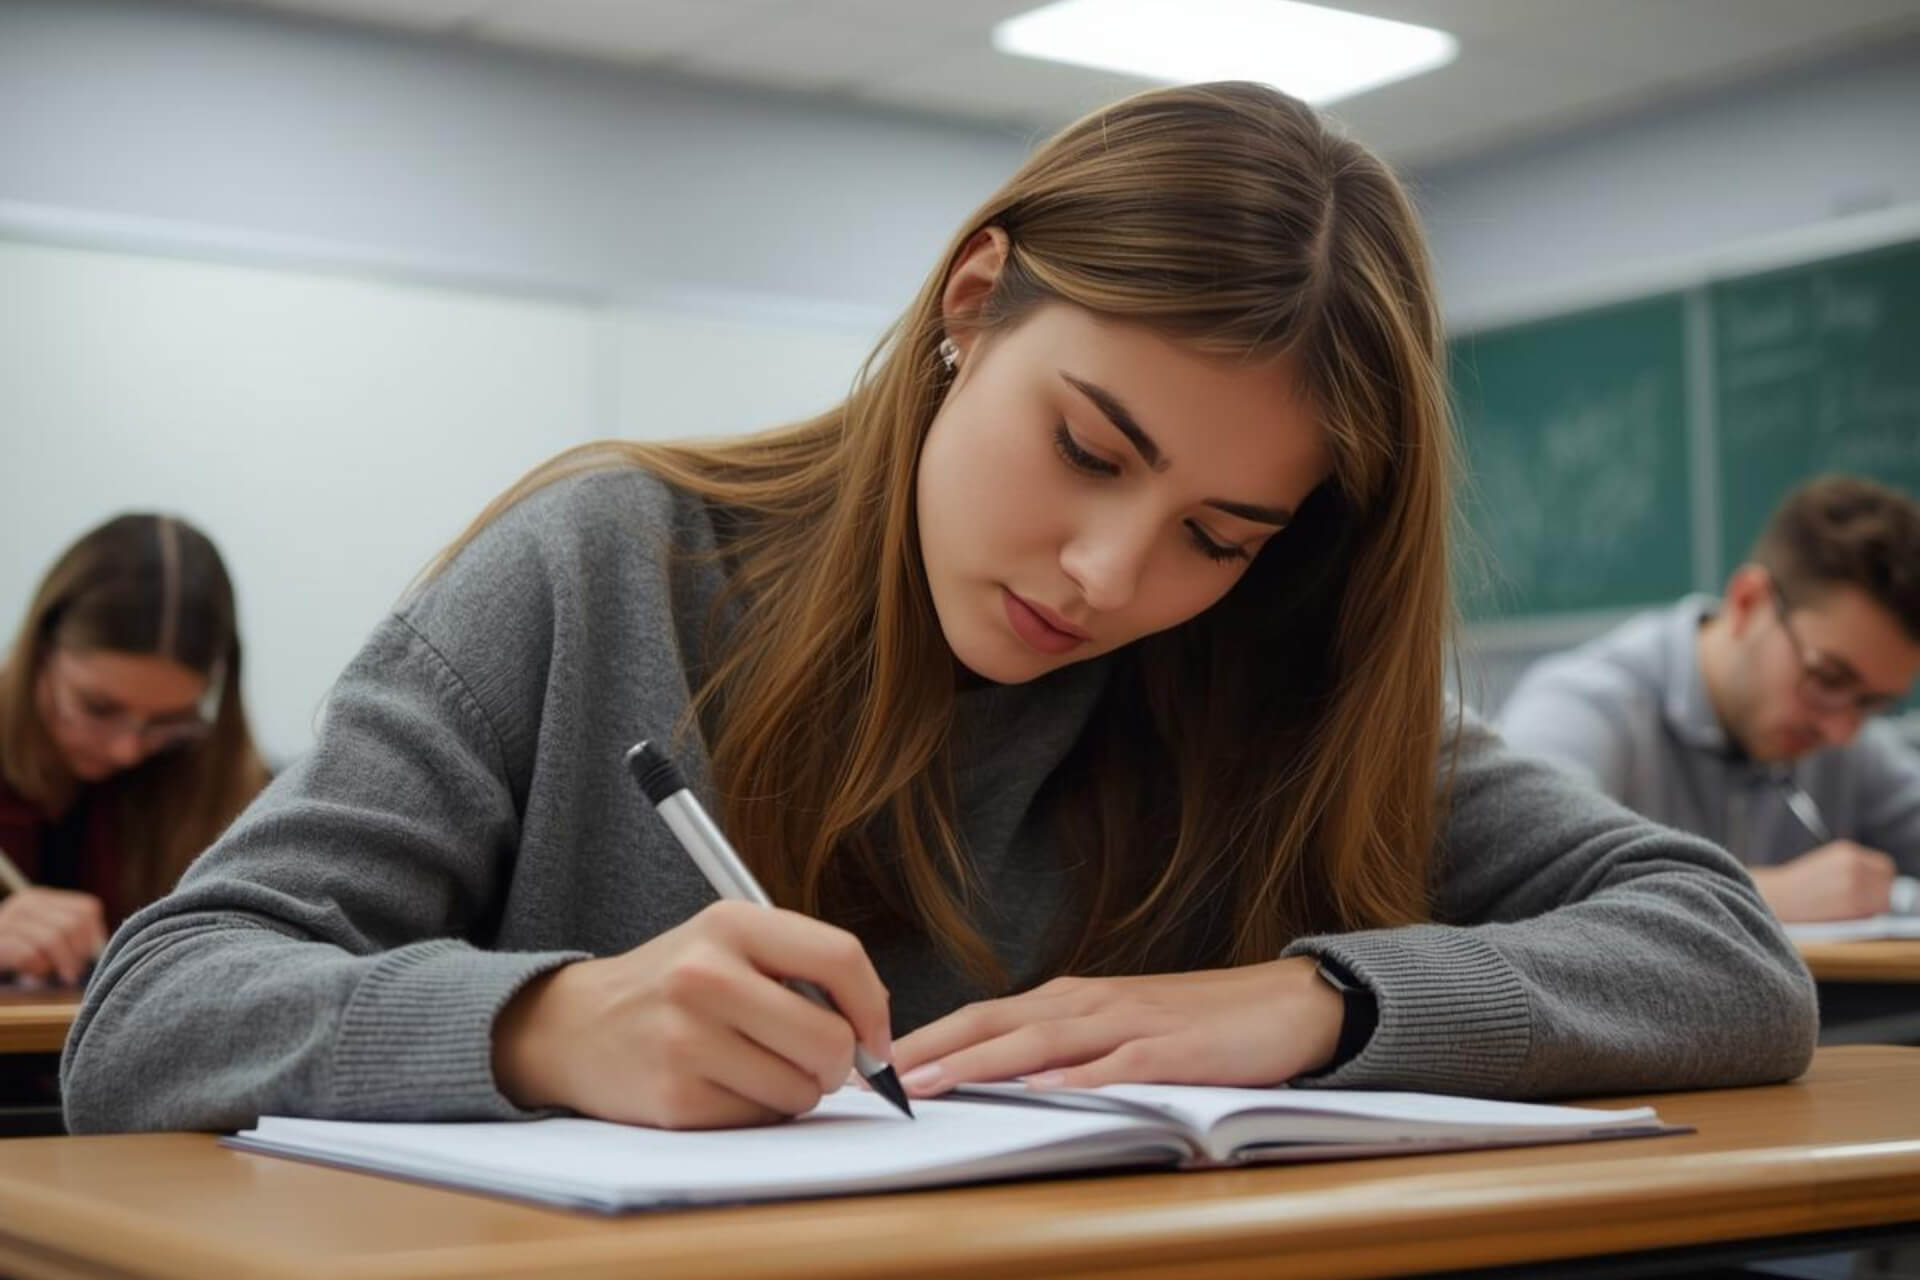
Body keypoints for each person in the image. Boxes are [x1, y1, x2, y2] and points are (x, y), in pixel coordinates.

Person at [63, 82, 1813, 1136]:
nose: (1110, 578)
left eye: (1221, 530)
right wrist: (533, 1028)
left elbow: (1730, 959)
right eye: (1086, 447)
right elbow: (154, 1018)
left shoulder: (1272, 667)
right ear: (974, 300)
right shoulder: (606, 564)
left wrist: (1316, 1005)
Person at [1500, 476, 1920, 923]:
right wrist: (1758, 895)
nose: (1840, 730)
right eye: (1828, 677)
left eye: (1874, 704)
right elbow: (1515, 882)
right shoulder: (1583, 706)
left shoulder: (1846, 737)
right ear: (1747, 602)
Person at [0, 514, 270, 985]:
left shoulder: (233, 791)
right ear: (41, 653)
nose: (127, 751)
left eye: (169, 721)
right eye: (98, 708)